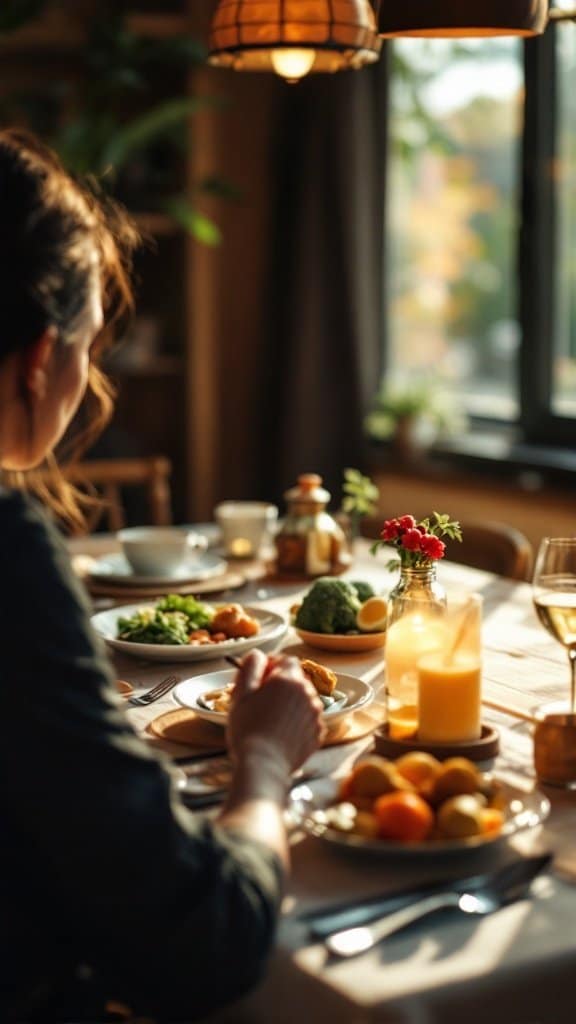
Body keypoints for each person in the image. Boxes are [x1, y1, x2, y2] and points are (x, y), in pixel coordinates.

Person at [0, 128, 325, 1023]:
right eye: (88, 345)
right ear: (38, 358)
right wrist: (263, 760)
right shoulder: (8, 552)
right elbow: (203, 939)